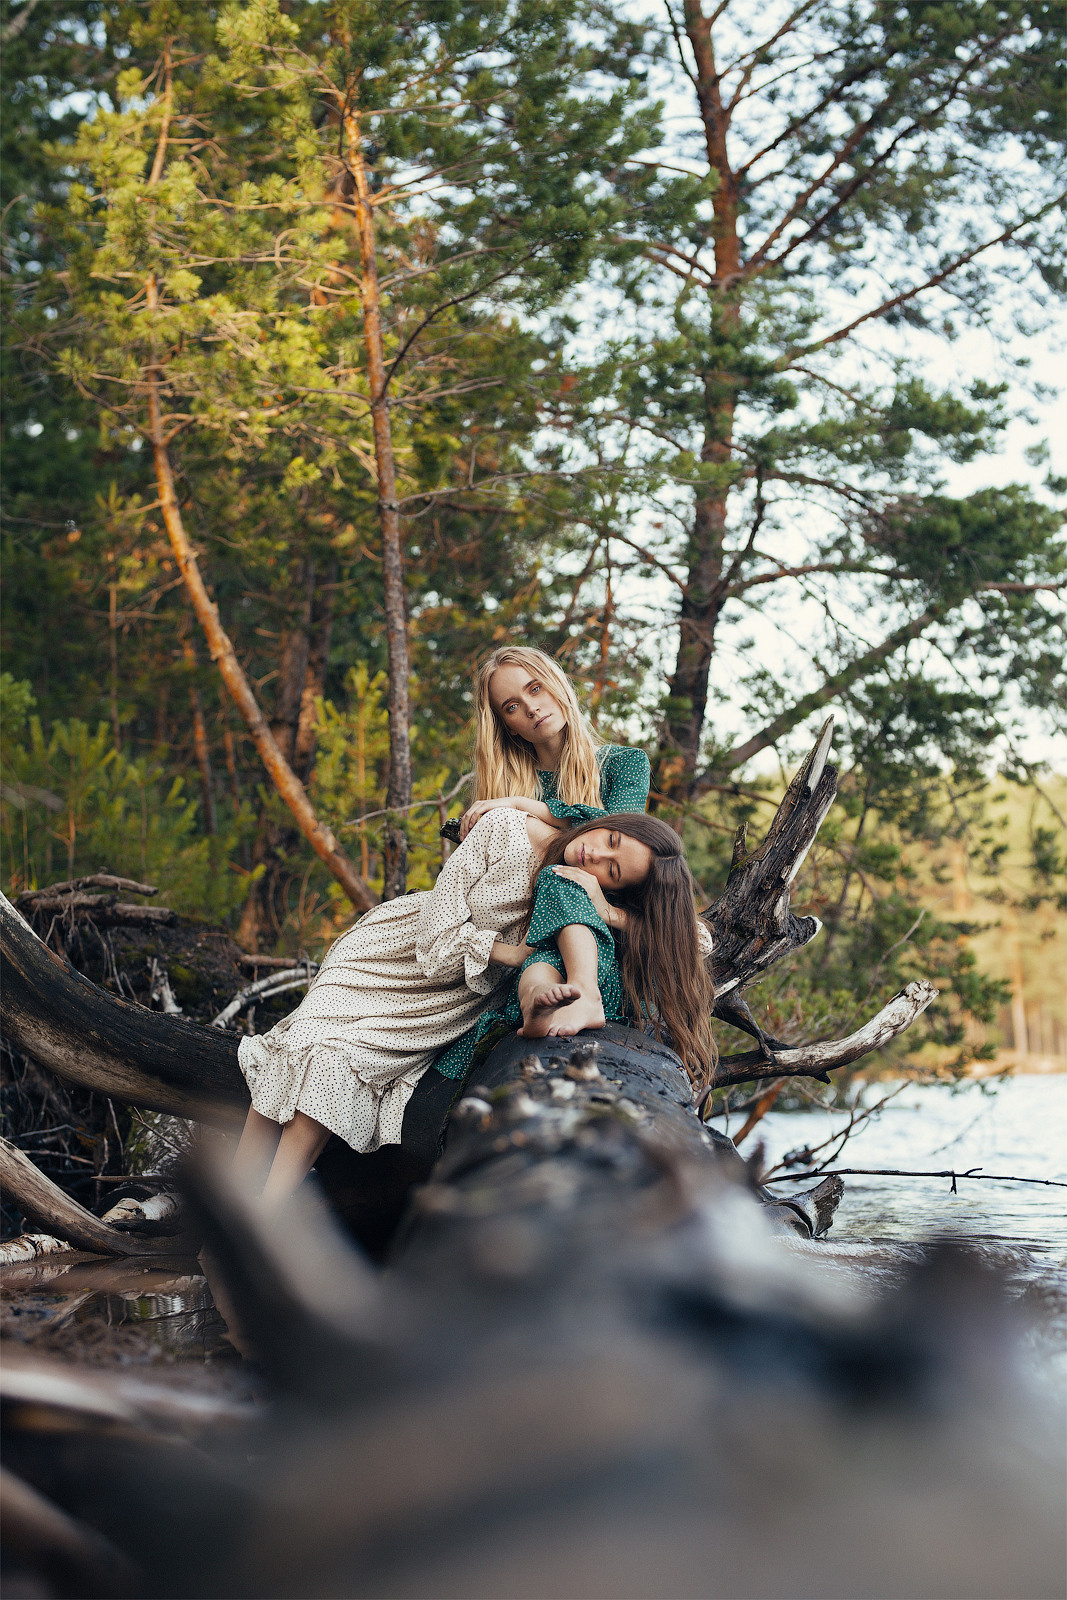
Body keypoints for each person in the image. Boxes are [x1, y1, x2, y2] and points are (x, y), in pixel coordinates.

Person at [233, 808, 713, 1206]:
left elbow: (697, 939)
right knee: (295, 1046)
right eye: (611, 839)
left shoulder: (579, 886)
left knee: (335, 1064)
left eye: (613, 870)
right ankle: (230, 1212)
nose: (597, 855)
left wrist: (607, 910)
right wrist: (513, 954)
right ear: (610, 822)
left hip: (450, 998)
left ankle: (264, 1221)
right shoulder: (505, 827)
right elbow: (435, 937)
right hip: (391, 956)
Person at [459, 646, 652, 852]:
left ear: (556, 684)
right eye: (512, 707)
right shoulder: (504, 786)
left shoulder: (625, 763)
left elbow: (621, 843)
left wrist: (519, 806)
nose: (531, 708)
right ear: (508, 726)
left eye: (535, 689)